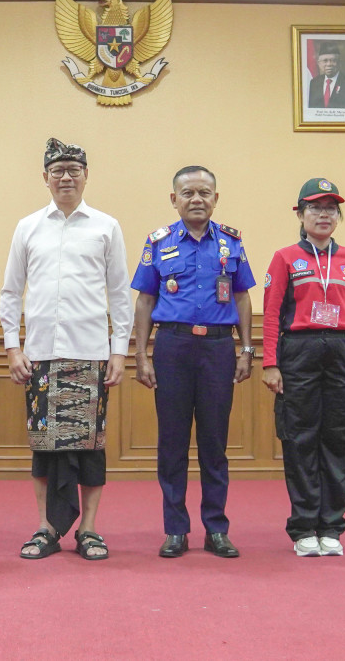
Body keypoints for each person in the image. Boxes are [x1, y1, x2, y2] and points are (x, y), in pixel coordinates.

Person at [0, 138, 132, 561]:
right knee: (43, 446)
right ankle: (45, 527)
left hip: (91, 354)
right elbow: (10, 292)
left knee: (90, 448)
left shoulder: (106, 226)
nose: (66, 177)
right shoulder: (28, 227)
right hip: (40, 355)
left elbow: (120, 294)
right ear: (45, 177)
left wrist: (118, 351)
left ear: (86, 175)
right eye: (57, 170)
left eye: (74, 170)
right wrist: (13, 348)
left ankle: (88, 529)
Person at [131, 166, 256, 559]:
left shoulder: (231, 243)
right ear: (175, 199)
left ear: (216, 198)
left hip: (218, 349)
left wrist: (247, 349)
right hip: (173, 347)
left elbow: (242, 297)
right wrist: (141, 354)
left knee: (214, 442)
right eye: (188, 193)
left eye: (204, 192)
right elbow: (145, 300)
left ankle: (216, 528)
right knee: (172, 442)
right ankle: (175, 529)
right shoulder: (158, 242)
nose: (197, 199)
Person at [261, 178, 345, 557]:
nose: (323, 215)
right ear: (300, 214)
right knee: (300, 439)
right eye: (315, 208)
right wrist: (270, 363)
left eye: (331, 209)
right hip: (299, 351)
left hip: (343, 351)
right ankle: (303, 528)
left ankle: (331, 527)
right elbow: (271, 315)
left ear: (338, 216)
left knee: (340, 438)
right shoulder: (285, 258)